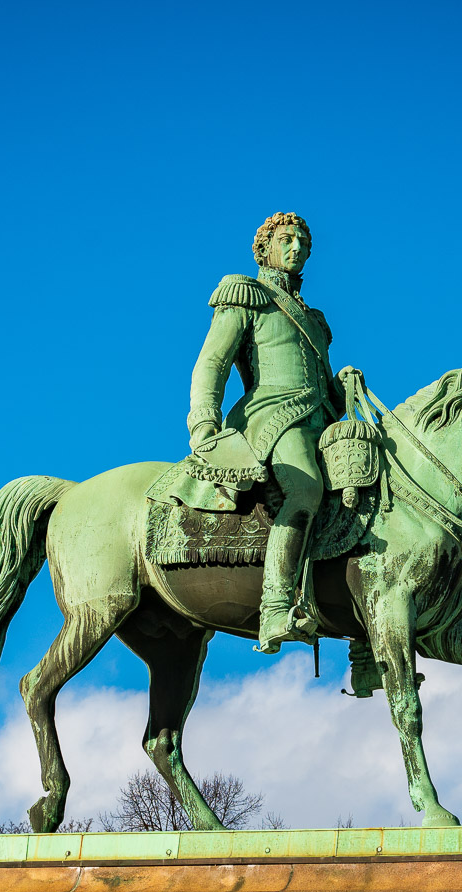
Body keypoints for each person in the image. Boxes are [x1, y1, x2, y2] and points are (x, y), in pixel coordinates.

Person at [187, 212, 345, 653]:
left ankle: (360, 633)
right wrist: (204, 422)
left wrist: (343, 385)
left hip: (322, 417)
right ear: (265, 248)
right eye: (287, 239)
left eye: (303, 242)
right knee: (306, 490)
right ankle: (275, 609)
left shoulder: (315, 319)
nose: (297, 248)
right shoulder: (245, 293)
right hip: (273, 416)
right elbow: (213, 362)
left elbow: (322, 377)